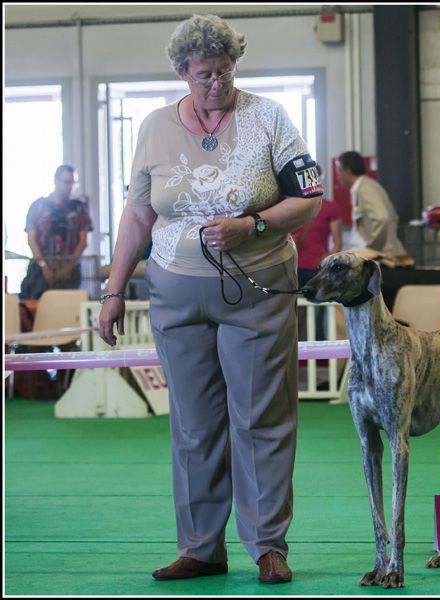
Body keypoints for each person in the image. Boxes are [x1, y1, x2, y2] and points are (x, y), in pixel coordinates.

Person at [97, 14, 322, 585]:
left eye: (223, 72)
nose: (215, 84)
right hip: (175, 290)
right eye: (203, 75)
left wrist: (255, 224)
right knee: (194, 427)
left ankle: (269, 545)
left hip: (256, 287)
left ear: (234, 66)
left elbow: (310, 197)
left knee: (261, 419)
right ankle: (200, 548)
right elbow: (138, 214)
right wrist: (115, 289)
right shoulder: (152, 127)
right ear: (182, 73)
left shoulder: (269, 117)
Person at [20, 164, 93, 299]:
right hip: (39, 273)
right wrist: (44, 266)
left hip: (71, 274)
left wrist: (67, 268)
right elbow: (31, 239)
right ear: (56, 180)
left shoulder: (79, 208)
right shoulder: (38, 206)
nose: (69, 186)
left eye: (73, 183)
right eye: (66, 182)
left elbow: (83, 242)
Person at [335, 150, 412, 265]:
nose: (338, 176)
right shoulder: (363, 187)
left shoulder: (365, 188)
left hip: (384, 260)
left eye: (339, 171)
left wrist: (371, 249)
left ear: (348, 171)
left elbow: (383, 218)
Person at [292, 163, 342, 340]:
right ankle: (297, 350)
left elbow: (337, 240)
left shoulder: (329, 207)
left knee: (318, 310)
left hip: (316, 269)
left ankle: (317, 352)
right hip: (293, 266)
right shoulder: (292, 206)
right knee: (293, 311)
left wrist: (329, 262)